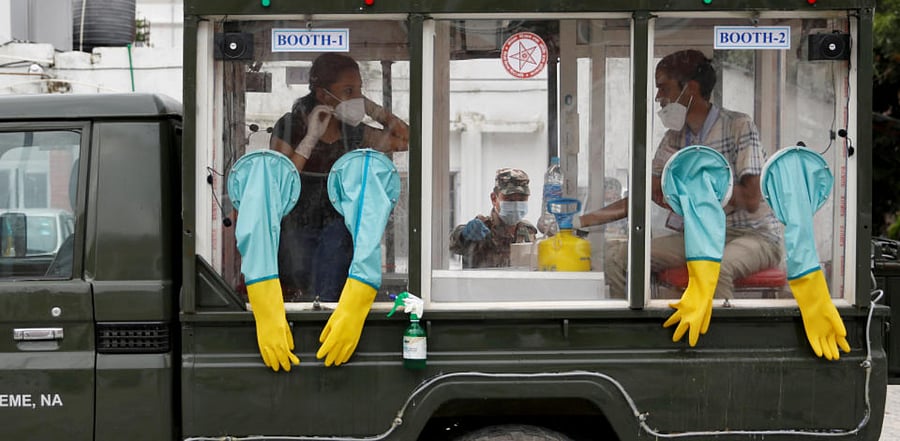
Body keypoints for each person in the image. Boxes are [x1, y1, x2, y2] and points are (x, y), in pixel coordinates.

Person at [574, 49, 783, 299]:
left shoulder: (738, 125)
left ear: (691, 89)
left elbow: (751, 199)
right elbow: (645, 192)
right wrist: (581, 221)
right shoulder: (674, 139)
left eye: (664, 88)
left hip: (752, 235)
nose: (657, 98)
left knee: (715, 269)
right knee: (620, 257)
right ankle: (629, 333)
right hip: (699, 235)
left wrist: (699, 187)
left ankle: (717, 337)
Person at [269, 52, 409, 301]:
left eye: (359, 90)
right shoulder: (291, 126)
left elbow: (405, 139)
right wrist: (310, 139)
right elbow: (281, 182)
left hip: (338, 226)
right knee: (297, 292)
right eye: (348, 91)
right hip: (296, 225)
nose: (356, 98)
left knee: (331, 291)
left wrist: (371, 108)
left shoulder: (353, 131)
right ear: (323, 95)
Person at [449, 168, 538, 268]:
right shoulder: (481, 229)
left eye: (522, 199)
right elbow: (452, 244)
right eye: (510, 199)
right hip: (482, 284)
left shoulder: (528, 231)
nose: (517, 205)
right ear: (494, 198)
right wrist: (463, 235)